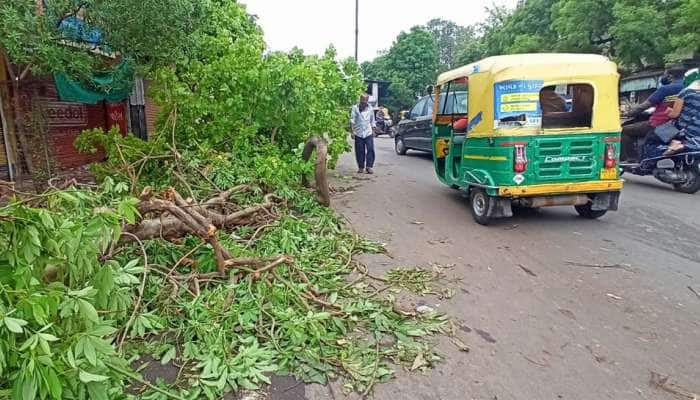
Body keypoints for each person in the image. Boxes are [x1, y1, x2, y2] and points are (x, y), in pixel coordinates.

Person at [621, 67, 686, 162]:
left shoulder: (665, 89)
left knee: (624, 130)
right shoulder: (689, 88)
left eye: (664, 75)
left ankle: (632, 158)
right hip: (679, 126)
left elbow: (644, 106)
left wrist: (629, 113)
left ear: (670, 76)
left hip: (660, 125)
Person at [664, 68, 700, 154]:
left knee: (657, 134)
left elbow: (675, 114)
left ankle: (676, 145)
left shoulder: (685, 92)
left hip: (687, 130)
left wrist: (669, 111)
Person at [350, 94, 376, 174]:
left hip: (368, 132)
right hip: (358, 132)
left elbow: (372, 120)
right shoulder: (355, 108)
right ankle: (361, 167)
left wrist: (374, 130)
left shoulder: (370, 108)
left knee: (370, 148)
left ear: (367, 100)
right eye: (363, 100)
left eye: (366, 100)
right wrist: (352, 131)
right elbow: (352, 120)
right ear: (360, 99)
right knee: (359, 150)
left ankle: (369, 166)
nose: (364, 101)